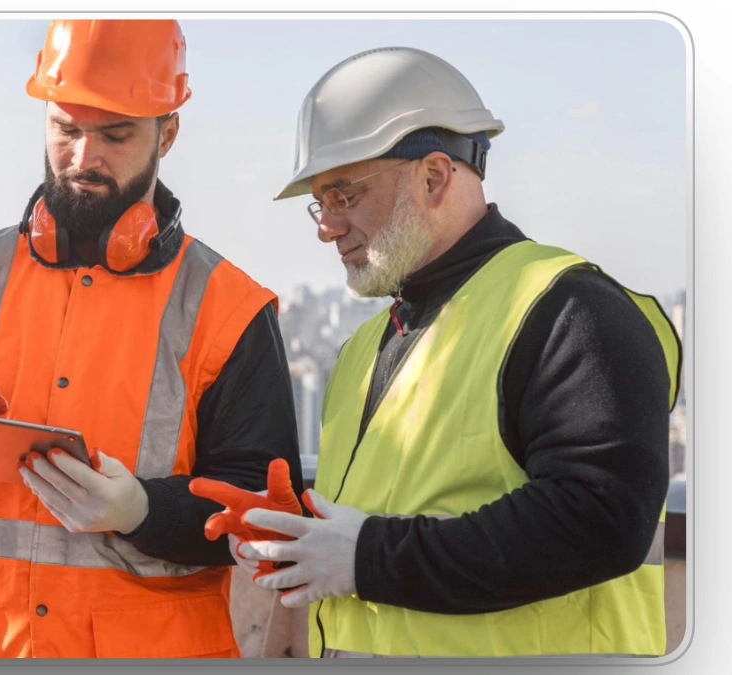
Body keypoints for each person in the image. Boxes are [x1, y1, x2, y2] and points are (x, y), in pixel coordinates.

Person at [0, 19, 303, 659]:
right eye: (66, 130)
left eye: (115, 134)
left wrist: (142, 510)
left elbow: (262, 513)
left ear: (169, 130)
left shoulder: (228, 308)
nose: (84, 157)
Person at [218, 46, 681, 658]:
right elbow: (413, 504)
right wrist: (302, 529)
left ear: (434, 176)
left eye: (345, 196)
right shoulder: (366, 348)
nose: (326, 227)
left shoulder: (569, 310)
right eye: (320, 202)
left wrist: (365, 558)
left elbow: (600, 520)